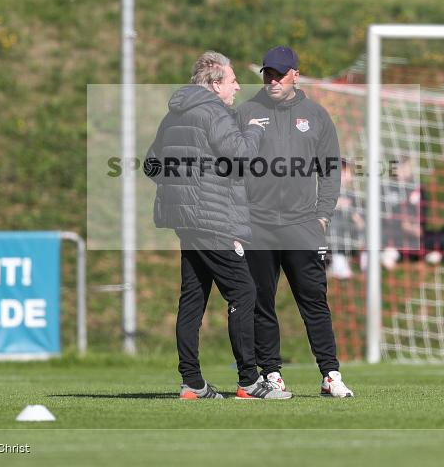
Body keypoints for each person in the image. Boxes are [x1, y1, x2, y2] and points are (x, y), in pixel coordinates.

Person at [144, 51, 291, 401]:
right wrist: (254, 131)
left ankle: (192, 383)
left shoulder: (174, 114)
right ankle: (250, 382)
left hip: (186, 220)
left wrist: (184, 187)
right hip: (213, 219)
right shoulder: (214, 112)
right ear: (214, 85)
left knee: (193, 298)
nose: (238, 85)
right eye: (232, 80)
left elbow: (151, 165)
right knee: (244, 292)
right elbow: (240, 155)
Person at [237, 46, 354, 398]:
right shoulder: (246, 112)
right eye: (267, 74)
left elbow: (331, 169)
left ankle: (330, 374)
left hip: (303, 224)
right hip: (257, 223)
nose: (272, 80)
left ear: (295, 74)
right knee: (261, 301)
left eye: (279, 74)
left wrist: (322, 214)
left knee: (314, 299)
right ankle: (271, 373)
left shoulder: (315, 115)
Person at [381, 156, 442, 269]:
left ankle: (420, 252)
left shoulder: (417, 188)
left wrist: (416, 227)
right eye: (400, 168)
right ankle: (393, 252)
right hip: (394, 231)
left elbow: (423, 212)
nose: (403, 171)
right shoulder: (386, 188)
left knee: (439, 238)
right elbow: (384, 215)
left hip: (413, 231)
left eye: (407, 168)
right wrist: (402, 225)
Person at [328, 160, 364, 280]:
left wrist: (356, 216)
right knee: (335, 221)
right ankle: (338, 260)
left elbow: (359, 217)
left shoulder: (352, 195)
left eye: (346, 173)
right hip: (329, 235)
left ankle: (366, 257)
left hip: (350, 232)